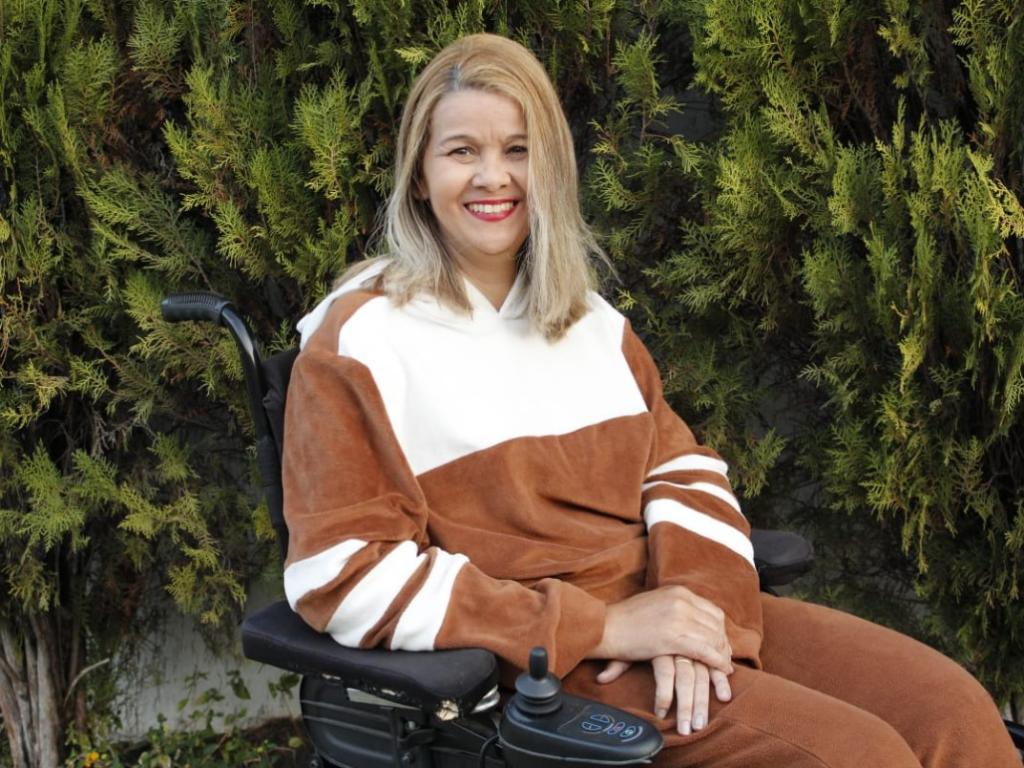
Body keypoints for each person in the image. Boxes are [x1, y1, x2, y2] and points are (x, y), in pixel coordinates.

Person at [280, 32, 1019, 767]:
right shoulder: (362, 343)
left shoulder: (591, 324)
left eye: (518, 149)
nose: (493, 177)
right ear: (419, 175)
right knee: (858, 757)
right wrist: (607, 628)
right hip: (548, 661)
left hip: (668, 607)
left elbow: (684, 473)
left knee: (951, 712)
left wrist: (699, 616)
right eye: (461, 151)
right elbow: (342, 573)